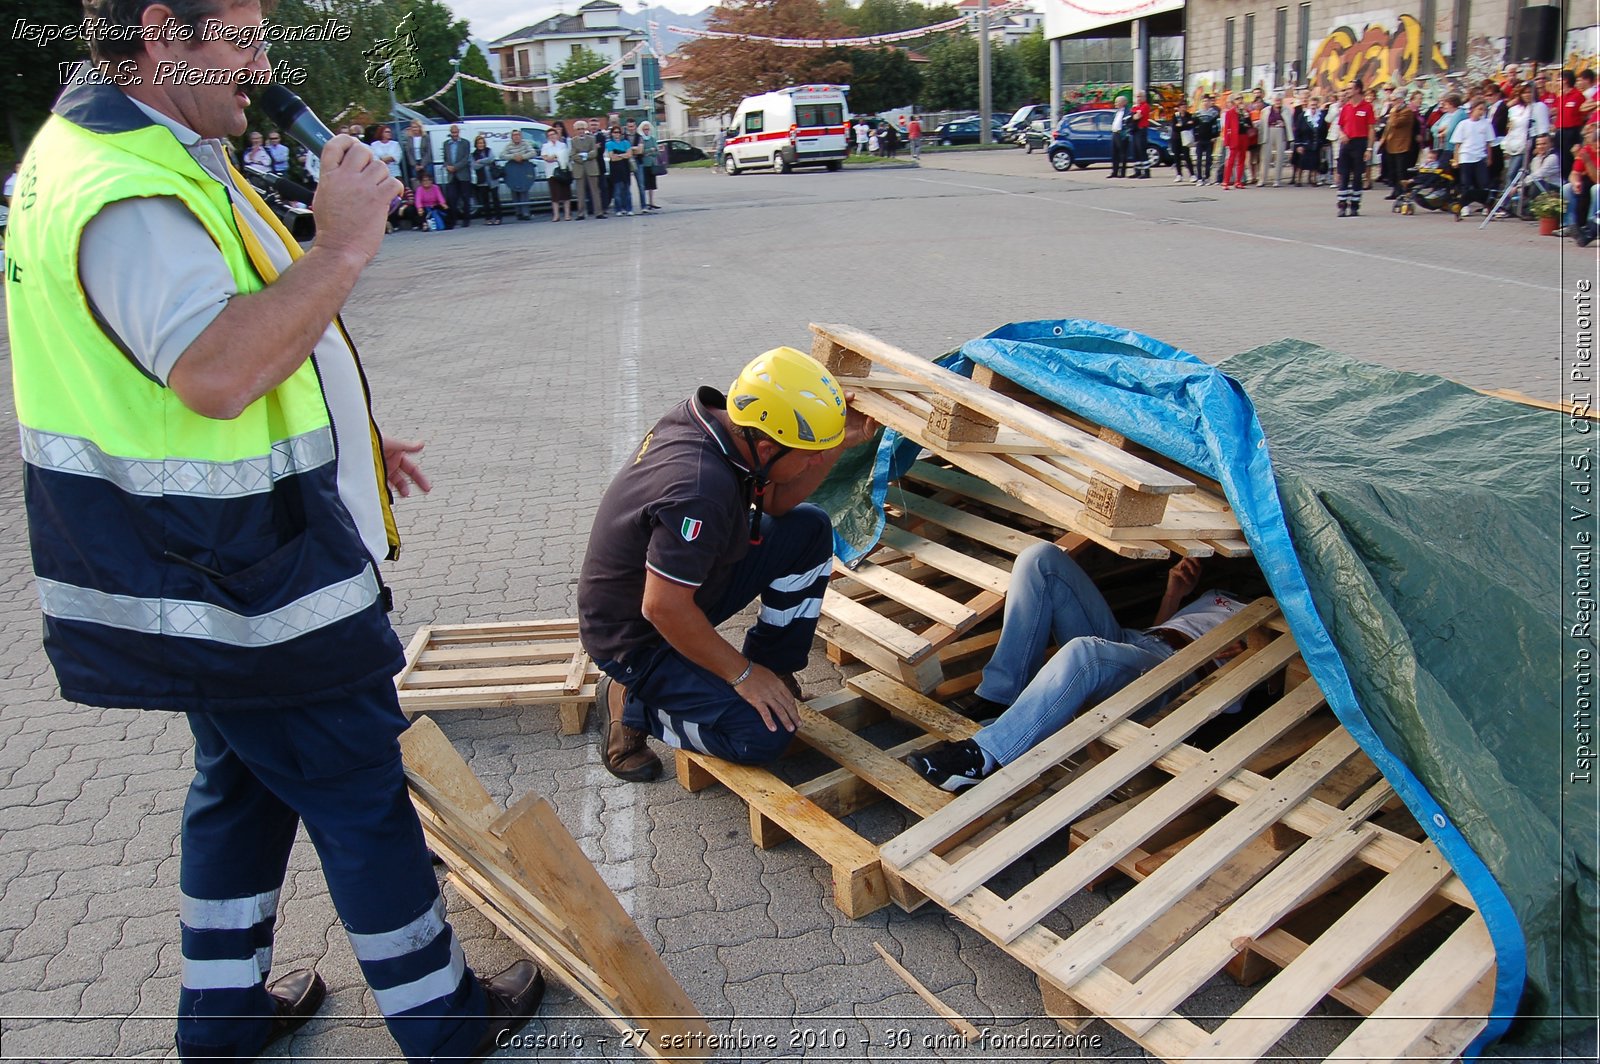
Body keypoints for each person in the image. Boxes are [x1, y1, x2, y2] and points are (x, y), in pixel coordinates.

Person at [4, 2, 546, 1060]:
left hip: (204, 568)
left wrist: (351, 439)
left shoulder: (129, 154)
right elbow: (214, 370)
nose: (263, 67)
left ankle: (222, 1013)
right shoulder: (131, 188)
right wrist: (341, 247)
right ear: (162, 31)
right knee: (362, 793)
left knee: (241, 788)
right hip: (248, 579)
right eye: (244, 40)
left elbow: (193, 357)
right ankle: (444, 1019)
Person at [577, 348, 877, 780]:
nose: (817, 461)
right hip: (636, 636)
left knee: (807, 527)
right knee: (763, 737)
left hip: (690, 587)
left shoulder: (718, 426)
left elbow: (776, 502)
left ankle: (773, 670)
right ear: (768, 445)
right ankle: (632, 702)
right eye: (809, 454)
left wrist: (833, 444)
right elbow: (662, 608)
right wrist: (742, 676)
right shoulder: (699, 488)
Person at [908, 546, 1246, 791]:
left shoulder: (1280, 621)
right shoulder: (1217, 594)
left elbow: (1257, 693)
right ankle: (1001, 697)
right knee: (1039, 559)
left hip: (1173, 669)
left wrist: (1237, 659)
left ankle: (985, 755)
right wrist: (1175, 595)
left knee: (1085, 653)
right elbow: (1160, 632)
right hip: (1140, 642)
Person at [1336, 79, 1376, 217]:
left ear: (1357, 90)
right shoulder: (1346, 107)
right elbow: (1340, 125)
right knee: (1344, 175)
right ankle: (1342, 205)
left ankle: (1354, 206)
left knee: (1358, 175)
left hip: (1360, 143)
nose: (1347, 91)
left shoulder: (1367, 107)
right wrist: (1342, 135)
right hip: (1346, 143)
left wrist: (1369, 149)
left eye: (1349, 89)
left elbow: (1371, 128)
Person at [1450, 100, 1496, 216]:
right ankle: (1464, 205)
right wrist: (1456, 159)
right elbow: (1457, 144)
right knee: (1466, 183)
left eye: (1484, 109)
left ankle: (1486, 205)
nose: (1482, 112)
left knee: (1484, 182)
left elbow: (1488, 143)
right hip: (1466, 156)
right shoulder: (1463, 124)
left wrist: (1489, 158)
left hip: (1480, 157)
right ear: (1472, 110)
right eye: (1479, 109)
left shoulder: (1486, 124)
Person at [1380, 96, 1418, 198]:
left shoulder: (1407, 111)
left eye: (1394, 100)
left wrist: (1393, 112)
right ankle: (1395, 191)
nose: (1392, 103)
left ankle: (1403, 191)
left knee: (1401, 171)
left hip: (1401, 145)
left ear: (1401, 100)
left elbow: (1395, 123)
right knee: (1393, 170)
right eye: (1391, 100)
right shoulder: (1394, 112)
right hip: (1390, 144)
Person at [570, 119, 605, 219]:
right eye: (578, 129)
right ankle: (581, 213)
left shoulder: (591, 138)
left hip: (591, 167)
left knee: (595, 190)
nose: (580, 131)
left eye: (582, 129)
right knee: (580, 192)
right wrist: (582, 158)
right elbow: (573, 154)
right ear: (575, 130)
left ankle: (599, 212)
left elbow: (594, 152)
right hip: (579, 168)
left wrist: (586, 155)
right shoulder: (573, 140)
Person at [441, 123, 473, 227]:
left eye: (456, 132)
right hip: (451, 175)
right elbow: (445, 158)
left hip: (463, 174)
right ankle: (453, 221)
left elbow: (466, 158)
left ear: (458, 132)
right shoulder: (446, 144)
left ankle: (466, 220)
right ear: (450, 133)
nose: (454, 134)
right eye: (452, 132)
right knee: (452, 198)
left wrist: (456, 167)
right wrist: (447, 166)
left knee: (465, 198)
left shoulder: (465, 143)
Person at [540, 123, 573, 222]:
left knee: (566, 194)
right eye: (550, 135)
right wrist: (553, 157)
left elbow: (565, 156)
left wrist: (554, 157)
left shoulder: (562, 145)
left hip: (563, 170)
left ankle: (567, 214)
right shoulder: (545, 146)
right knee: (555, 195)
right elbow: (545, 157)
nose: (552, 136)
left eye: (553, 134)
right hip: (551, 173)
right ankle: (556, 215)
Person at [470, 133, 503, 225]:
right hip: (482, 180)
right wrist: (486, 161)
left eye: (482, 143)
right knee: (485, 201)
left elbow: (491, 159)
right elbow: (474, 166)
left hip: (492, 179)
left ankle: (498, 218)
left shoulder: (489, 150)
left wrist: (480, 161)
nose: (481, 145)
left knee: (496, 199)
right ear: (476, 144)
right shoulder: (473, 154)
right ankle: (488, 218)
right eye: (479, 143)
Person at [1257, 93, 1289, 186]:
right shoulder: (1265, 110)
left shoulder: (1286, 110)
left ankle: (1277, 180)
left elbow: (1289, 124)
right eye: (1276, 100)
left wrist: (1284, 124)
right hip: (1269, 131)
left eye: (1279, 100)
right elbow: (1262, 125)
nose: (1278, 102)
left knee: (1279, 156)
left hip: (1280, 131)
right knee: (1265, 156)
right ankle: (1262, 179)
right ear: (1272, 101)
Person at [604, 124, 634, 216]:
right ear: (612, 134)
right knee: (617, 191)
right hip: (615, 170)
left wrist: (619, 155)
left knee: (627, 190)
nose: (617, 134)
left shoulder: (626, 142)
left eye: (618, 132)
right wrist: (623, 155)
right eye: (615, 132)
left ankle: (628, 208)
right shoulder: (609, 144)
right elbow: (612, 157)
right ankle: (619, 209)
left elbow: (630, 154)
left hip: (625, 169)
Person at [1221, 96, 1250, 189]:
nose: (1240, 101)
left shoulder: (1245, 112)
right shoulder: (1230, 113)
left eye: (1241, 99)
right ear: (1234, 101)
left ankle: (1238, 181)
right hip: (1234, 138)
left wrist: (1247, 116)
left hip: (1243, 137)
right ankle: (1226, 181)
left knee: (1241, 159)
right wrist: (1226, 141)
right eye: (1237, 99)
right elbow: (1227, 128)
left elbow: (1249, 125)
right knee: (1231, 160)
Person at [1193, 93, 1220, 185]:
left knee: (1209, 159)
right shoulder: (1197, 113)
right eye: (1204, 101)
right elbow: (1195, 126)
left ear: (1210, 102)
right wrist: (1196, 138)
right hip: (1200, 139)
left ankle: (1207, 177)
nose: (1205, 103)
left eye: (1207, 101)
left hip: (1209, 139)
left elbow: (1216, 126)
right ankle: (1199, 178)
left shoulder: (1214, 113)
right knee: (1199, 160)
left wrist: (1215, 136)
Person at [636, 120, 661, 211]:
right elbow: (641, 152)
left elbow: (657, 152)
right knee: (644, 184)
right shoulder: (640, 139)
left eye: (647, 129)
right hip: (643, 164)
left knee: (652, 184)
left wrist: (649, 152)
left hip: (652, 164)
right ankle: (644, 202)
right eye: (644, 129)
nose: (646, 131)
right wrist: (650, 150)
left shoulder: (652, 139)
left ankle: (651, 202)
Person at [1168, 101, 1195, 182]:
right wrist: (1185, 125)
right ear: (1179, 108)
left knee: (1187, 156)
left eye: (1185, 107)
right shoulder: (1175, 116)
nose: (1183, 109)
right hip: (1176, 138)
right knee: (1177, 157)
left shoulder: (1189, 116)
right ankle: (1179, 174)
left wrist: (1182, 125)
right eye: (1182, 107)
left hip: (1186, 139)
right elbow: (1175, 127)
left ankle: (1192, 174)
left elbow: (1191, 125)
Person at [402, 118, 432, 186]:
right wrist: (415, 165)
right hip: (414, 163)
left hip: (426, 163)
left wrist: (422, 164)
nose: (414, 129)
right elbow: (408, 152)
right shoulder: (409, 138)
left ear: (420, 127)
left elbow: (428, 151)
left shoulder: (426, 137)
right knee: (417, 182)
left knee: (428, 180)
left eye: (416, 127)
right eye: (413, 127)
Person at [1108, 95, 1132, 178]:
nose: (1115, 104)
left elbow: (1128, 124)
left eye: (1117, 102)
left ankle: (1122, 172)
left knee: (1122, 154)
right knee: (1114, 153)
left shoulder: (1127, 112)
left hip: (1122, 134)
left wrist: (1125, 134)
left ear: (1123, 103)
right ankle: (1114, 171)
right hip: (1115, 133)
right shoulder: (1116, 112)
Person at [1130, 91, 1152, 177]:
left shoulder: (1145, 106)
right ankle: (1137, 170)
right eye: (1137, 97)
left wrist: (1135, 114)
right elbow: (1132, 116)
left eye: (1140, 96)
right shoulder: (1136, 107)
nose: (1138, 98)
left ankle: (1146, 171)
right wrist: (1135, 114)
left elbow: (1137, 117)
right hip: (1135, 130)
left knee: (1142, 150)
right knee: (1135, 151)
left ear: (1144, 97)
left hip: (1141, 130)